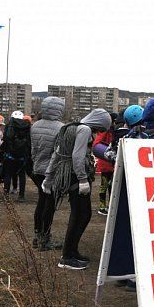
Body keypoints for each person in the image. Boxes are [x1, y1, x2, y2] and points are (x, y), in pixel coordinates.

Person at [44, 108, 112, 270]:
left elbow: (57, 153)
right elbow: (77, 156)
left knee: (81, 214)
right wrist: (82, 179)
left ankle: (72, 252)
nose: (99, 132)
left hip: (67, 176)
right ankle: (68, 256)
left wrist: (48, 177)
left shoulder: (70, 127)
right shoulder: (85, 130)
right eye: (101, 128)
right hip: (76, 178)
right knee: (81, 214)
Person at [31, 97, 65, 250]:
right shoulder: (61, 128)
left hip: (37, 169)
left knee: (41, 202)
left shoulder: (35, 126)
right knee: (49, 205)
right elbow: (57, 154)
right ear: (58, 109)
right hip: (51, 172)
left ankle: (37, 235)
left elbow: (33, 150)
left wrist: (36, 163)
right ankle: (45, 239)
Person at [0, 111, 31, 202]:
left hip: (10, 156)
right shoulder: (27, 125)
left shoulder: (9, 125)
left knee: (8, 174)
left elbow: (6, 139)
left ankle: (6, 195)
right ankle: (21, 196)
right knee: (22, 176)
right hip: (22, 156)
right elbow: (29, 140)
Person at [92, 112, 118, 215]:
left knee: (112, 186)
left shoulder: (113, 131)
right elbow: (96, 144)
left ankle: (111, 206)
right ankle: (102, 207)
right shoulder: (105, 131)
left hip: (110, 164)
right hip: (105, 164)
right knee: (104, 186)